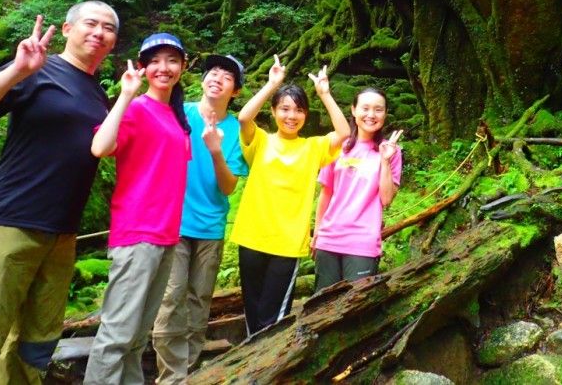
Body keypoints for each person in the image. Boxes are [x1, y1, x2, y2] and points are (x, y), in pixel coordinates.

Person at [0, 1, 119, 385]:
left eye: (108, 28)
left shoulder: (97, 94)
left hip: (63, 232)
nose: (98, 32)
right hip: (13, 219)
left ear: (113, 43)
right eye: (90, 23)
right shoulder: (38, 69)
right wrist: (17, 70)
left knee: (36, 341)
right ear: (68, 29)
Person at [83, 33, 192, 385]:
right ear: (143, 67)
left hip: (166, 236)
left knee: (136, 339)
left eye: (172, 60)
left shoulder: (177, 119)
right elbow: (100, 147)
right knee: (116, 337)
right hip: (137, 233)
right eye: (155, 61)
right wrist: (126, 94)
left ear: (183, 67)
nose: (164, 68)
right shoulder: (136, 108)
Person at [230, 55, 350, 335]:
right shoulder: (260, 141)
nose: (291, 116)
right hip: (251, 237)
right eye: (284, 109)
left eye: (298, 110)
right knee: (253, 310)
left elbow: (344, 132)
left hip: (286, 244)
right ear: (273, 112)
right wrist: (272, 84)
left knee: (273, 318)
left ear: (305, 115)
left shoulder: (313, 148)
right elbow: (245, 117)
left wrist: (325, 93)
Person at [152, 54, 249, 383]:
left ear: (235, 91)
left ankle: (189, 369)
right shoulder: (180, 113)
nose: (217, 78)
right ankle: (170, 376)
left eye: (227, 76)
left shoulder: (237, 129)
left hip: (210, 227)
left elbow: (228, 186)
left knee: (199, 298)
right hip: (173, 224)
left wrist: (215, 150)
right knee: (171, 297)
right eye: (213, 72)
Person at [312, 87, 403, 291]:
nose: (371, 115)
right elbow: (326, 193)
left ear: (385, 114)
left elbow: (386, 199)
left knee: (356, 306)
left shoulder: (390, 151)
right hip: (329, 239)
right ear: (354, 110)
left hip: (362, 242)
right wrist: (317, 232)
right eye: (365, 108)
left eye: (378, 110)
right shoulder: (338, 146)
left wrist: (385, 161)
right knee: (321, 305)